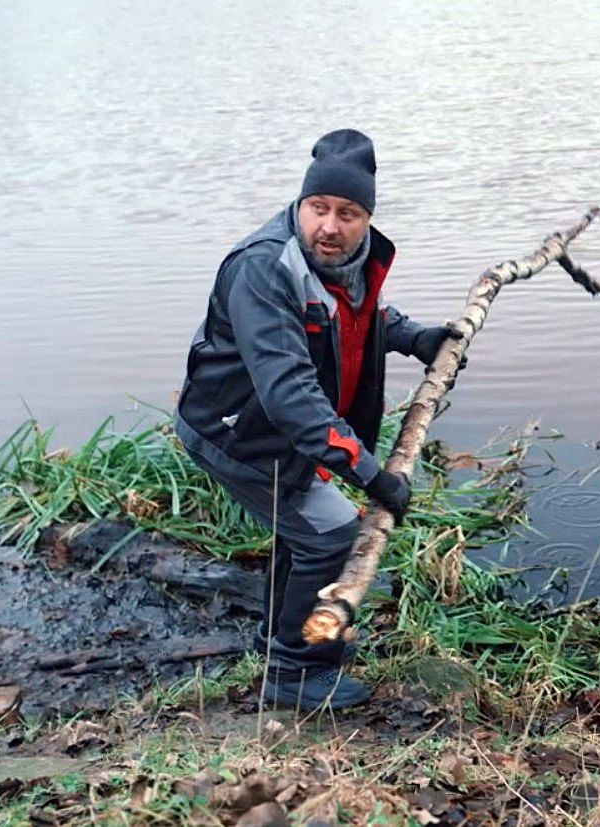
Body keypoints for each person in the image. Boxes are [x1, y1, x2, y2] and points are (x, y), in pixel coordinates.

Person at [174, 129, 460, 711]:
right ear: (301, 206)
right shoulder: (264, 269)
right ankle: (296, 667)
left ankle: (278, 636)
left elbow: (358, 313)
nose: (329, 226)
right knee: (333, 533)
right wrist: (370, 474)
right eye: (318, 208)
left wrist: (413, 337)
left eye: (347, 213)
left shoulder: (348, 260)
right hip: (238, 432)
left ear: (366, 218)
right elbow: (290, 395)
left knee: (305, 531)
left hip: (279, 434)